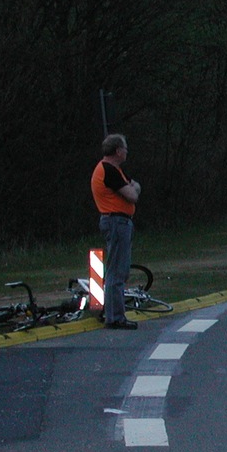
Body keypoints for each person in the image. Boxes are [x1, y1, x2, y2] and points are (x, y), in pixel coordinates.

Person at [90, 133, 141, 330]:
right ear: (118, 151)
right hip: (116, 221)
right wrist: (133, 188)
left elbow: (135, 186)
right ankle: (115, 317)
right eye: (125, 148)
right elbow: (132, 193)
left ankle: (115, 314)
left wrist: (133, 187)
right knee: (117, 271)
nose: (127, 152)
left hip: (119, 222)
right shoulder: (108, 170)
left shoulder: (114, 170)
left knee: (120, 269)